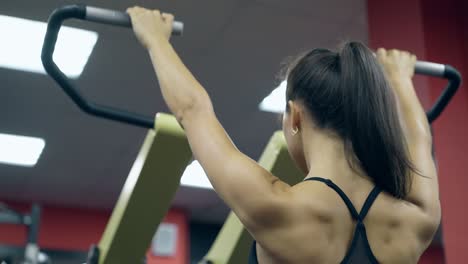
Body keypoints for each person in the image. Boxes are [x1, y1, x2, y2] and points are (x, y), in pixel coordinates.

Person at [126, 7, 441, 264]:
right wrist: (401, 79)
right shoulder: (417, 218)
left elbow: (193, 111)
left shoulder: (275, 208)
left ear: (296, 117)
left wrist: (156, 40)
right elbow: (418, 140)